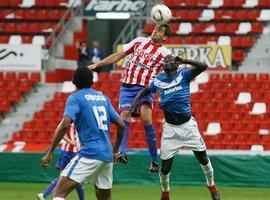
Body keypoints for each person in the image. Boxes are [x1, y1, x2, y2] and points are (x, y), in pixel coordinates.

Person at [130, 55, 221, 200]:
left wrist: (185, 60)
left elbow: (203, 66)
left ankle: (212, 185)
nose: (166, 62)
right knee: (165, 168)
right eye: (165, 61)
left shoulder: (184, 74)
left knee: (203, 159)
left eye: (170, 60)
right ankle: (165, 192)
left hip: (188, 127)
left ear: (177, 64)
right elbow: (146, 91)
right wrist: (135, 103)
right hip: (170, 130)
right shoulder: (158, 80)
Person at [88, 24, 172, 172]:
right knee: (124, 117)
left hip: (145, 89)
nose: (155, 30)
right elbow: (118, 55)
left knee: (146, 119)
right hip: (127, 86)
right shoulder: (139, 41)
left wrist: (173, 65)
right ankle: (122, 152)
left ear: (165, 37)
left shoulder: (165, 53)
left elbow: (171, 70)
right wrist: (98, 64)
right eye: (155, 28)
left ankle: (154, 161)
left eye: (160, 30)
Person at [40, 67, 125, 200]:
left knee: (58, 193)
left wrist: (50, 153)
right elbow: (121, 124)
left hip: (90, 152)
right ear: (92, 81)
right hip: (107, 154)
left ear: (73, 81)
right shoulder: (103, 98)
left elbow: (65, 124)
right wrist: (115, 151)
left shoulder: (75, 98)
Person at [37, 124, 85, 200]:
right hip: (68, 152)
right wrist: (70, 141)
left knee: (75, 178)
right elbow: (60, 131)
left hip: (77, 151)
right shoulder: (69, 119)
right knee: (73, 178)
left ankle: (44, 195)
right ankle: (44, 195)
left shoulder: (81, 119)